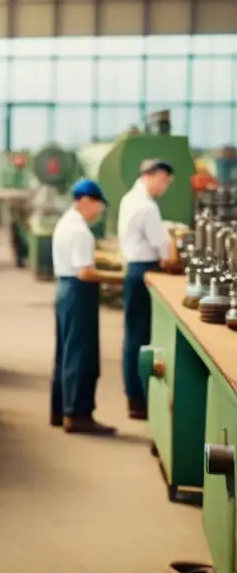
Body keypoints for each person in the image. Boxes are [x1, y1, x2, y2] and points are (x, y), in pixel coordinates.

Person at [50, 179, 119, 436]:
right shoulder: (80, 231)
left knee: (65, 353)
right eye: (98, 205)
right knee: (81, 354)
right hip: (78, 294)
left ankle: (60, 410)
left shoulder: (65, 222)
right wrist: (120, 277)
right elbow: (86, 273)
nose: (99, 211)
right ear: (86, 201)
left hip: (64, 291)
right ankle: (78, 414)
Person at [117, 159, 176, 421]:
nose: (165, 186)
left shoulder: (130, 199)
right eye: (164, 180)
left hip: (134, 270)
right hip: (146, 272)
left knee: (133, 336)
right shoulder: (146, 207)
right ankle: (141, 397)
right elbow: (165, 253)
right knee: (142, 337)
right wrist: (174, 241)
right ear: (151, 176)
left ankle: (134, 396)